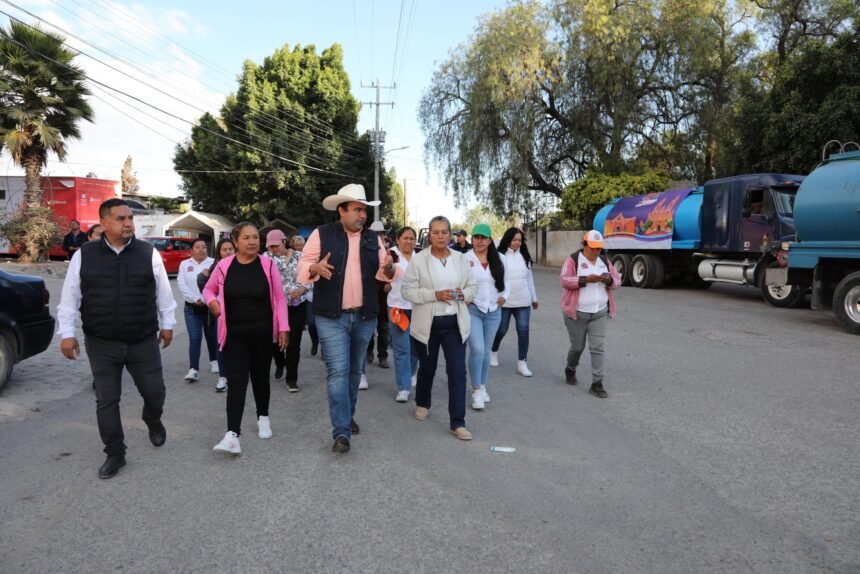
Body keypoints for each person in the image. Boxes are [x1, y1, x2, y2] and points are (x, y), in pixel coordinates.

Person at [56, 198, 176, 479]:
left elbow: (164, 293)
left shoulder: (148, 253)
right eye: (121, 218)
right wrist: (67, 334)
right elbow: (70, 297)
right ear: (104, 223)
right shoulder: (84, 255)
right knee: (107, 400)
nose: (128, 223)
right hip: (102, 342)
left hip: (142, 339)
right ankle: (115, 453)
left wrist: (168, 324)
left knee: (155, 392)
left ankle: (152, 418)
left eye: (130, 218)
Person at [297, 183, 398, 454]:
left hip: (364, 316)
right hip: (331, 317)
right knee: (338, 372)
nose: (362, 215)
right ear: (341, 211)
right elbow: (303, 266)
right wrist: (314, 267)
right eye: (357, 210)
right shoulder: (321, 234)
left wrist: (390, 268)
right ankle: (341, 431)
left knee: (355, 372)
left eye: (364, 210)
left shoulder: (372, 239)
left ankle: (347, 415)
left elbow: (385, 273)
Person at [203, 223, 289, 455]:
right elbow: (208, 290)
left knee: (260, 378)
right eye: (246, 238)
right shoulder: (224, 266)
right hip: (233, 335)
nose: (252, 242)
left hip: (263, 333)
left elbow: (280, 298)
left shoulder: (267, 265)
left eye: (255, 237)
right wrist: (213, 304)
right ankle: (232, 435)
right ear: (236, 241)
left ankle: (263, 417)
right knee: (237, 382)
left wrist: (284, 327)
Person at [402, 215, 477, 441]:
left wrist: (464, 294)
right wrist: (435, 295)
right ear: (429, 235)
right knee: (427, 368)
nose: (440, 236)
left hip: (455, 323)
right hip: (428, 325)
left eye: (444, 232)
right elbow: (407, 291)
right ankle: (423, 402)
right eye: (435, 232)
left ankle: (458, 422)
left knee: (457, 372)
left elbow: (472, 286)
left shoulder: (461, 259)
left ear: (450, 234)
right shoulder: (419, 260)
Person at [560, 230, 620, 399]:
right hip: (576, 313)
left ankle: (597, 383)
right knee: (577, 347)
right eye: (592, 248)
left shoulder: (604, 261)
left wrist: (608, 280)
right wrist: (585, 279)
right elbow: (564, 280)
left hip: (600, 312)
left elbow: (617, 281)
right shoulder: (573, 260)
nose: (596, 251)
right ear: (584, 245)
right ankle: (570, 368)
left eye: (598, 248)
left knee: (598, 347)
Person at [465, 223, 509, 410]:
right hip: (473, 309)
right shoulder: (465, 258)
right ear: (472, 239)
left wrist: (505, 297)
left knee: (485, 351)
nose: (479, 241)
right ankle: (476, 390)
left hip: (493, 310)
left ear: (490, 240)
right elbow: (459, 281)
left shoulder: (500, 258)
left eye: (483, 237)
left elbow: (507, 282)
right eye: (476, 237)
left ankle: (482, 385)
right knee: (477, 348)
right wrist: (465, 298)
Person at [263, 229, 310, 393]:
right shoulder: (266, 257)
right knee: (274, 340)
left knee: (294, 343)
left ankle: (292, 379)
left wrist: (304, 288)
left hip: (297, 305)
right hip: (275, 306)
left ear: (284, 241)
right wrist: (287, 257)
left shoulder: (300, 256)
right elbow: (276, 271)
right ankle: (280, 363)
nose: (274, 249)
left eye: (276, 245)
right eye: (271, 246)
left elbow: (310, 276)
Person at [491, 227, 539, 377]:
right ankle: (493, 352)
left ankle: (522, 363)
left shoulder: (525, 256)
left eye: (519, 240)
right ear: (508, 240)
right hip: (504, 302)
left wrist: (534, 298)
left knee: (523, 331)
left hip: (523, 301)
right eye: (514, 240)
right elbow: (493, 279)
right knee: (501, 329)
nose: (517, 243)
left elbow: (529, 279)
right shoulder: (498, 256)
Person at [198, 238, 235, 392]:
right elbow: (206, 288)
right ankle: (223, 377)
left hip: (240, 313)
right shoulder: (215, 267)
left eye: (230, 249)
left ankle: (237, 374)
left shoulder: (242, 264)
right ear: (219, 252)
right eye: (224, 249)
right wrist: (214, 303)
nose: (228, 252)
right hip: (220, 314)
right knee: (221, 344)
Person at [387, 226, 419, 402]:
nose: (408, 241)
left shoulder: (421, 256)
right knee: (401, 348)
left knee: (415, 346)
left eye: (411, 238)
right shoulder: (391, 255)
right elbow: (385, 275)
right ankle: (403, 388)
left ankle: (412, 373)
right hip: (397, 307)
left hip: (418, 307)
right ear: (397, 239)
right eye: (405, 238)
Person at [178, 238, 217, 383]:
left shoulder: (213, 263)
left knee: (211, 336)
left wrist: (206, 299)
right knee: (195, 338)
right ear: (191, 250)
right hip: (192, 309)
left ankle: (214, 361)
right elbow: (181, 284)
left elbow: (216, 284)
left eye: (203, 247)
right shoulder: (184, 264)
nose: (201, 249)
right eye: (197, 247)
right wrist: (195, 299)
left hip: (209, 308)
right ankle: (193, 369)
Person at [365, 221, 390, 370]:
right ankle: (369, 350)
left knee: (384, 328)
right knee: (368, 326)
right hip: (369, 294)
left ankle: (382, 356)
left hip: (384, 296)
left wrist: (389, 282)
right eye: (376, 233)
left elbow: (394, 271)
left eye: (381, 233)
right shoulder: (366, 249)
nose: (379, 235)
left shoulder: (391, 252)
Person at [291, 234, 320, 357]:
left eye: (300, 245)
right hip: (309, 296)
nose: (298, 247)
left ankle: (326, 348)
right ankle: (315, 341)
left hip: (323, 296)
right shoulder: (297, 258)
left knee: (324, 325)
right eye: (296, 245)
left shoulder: (319, 256)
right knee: (311, 324)